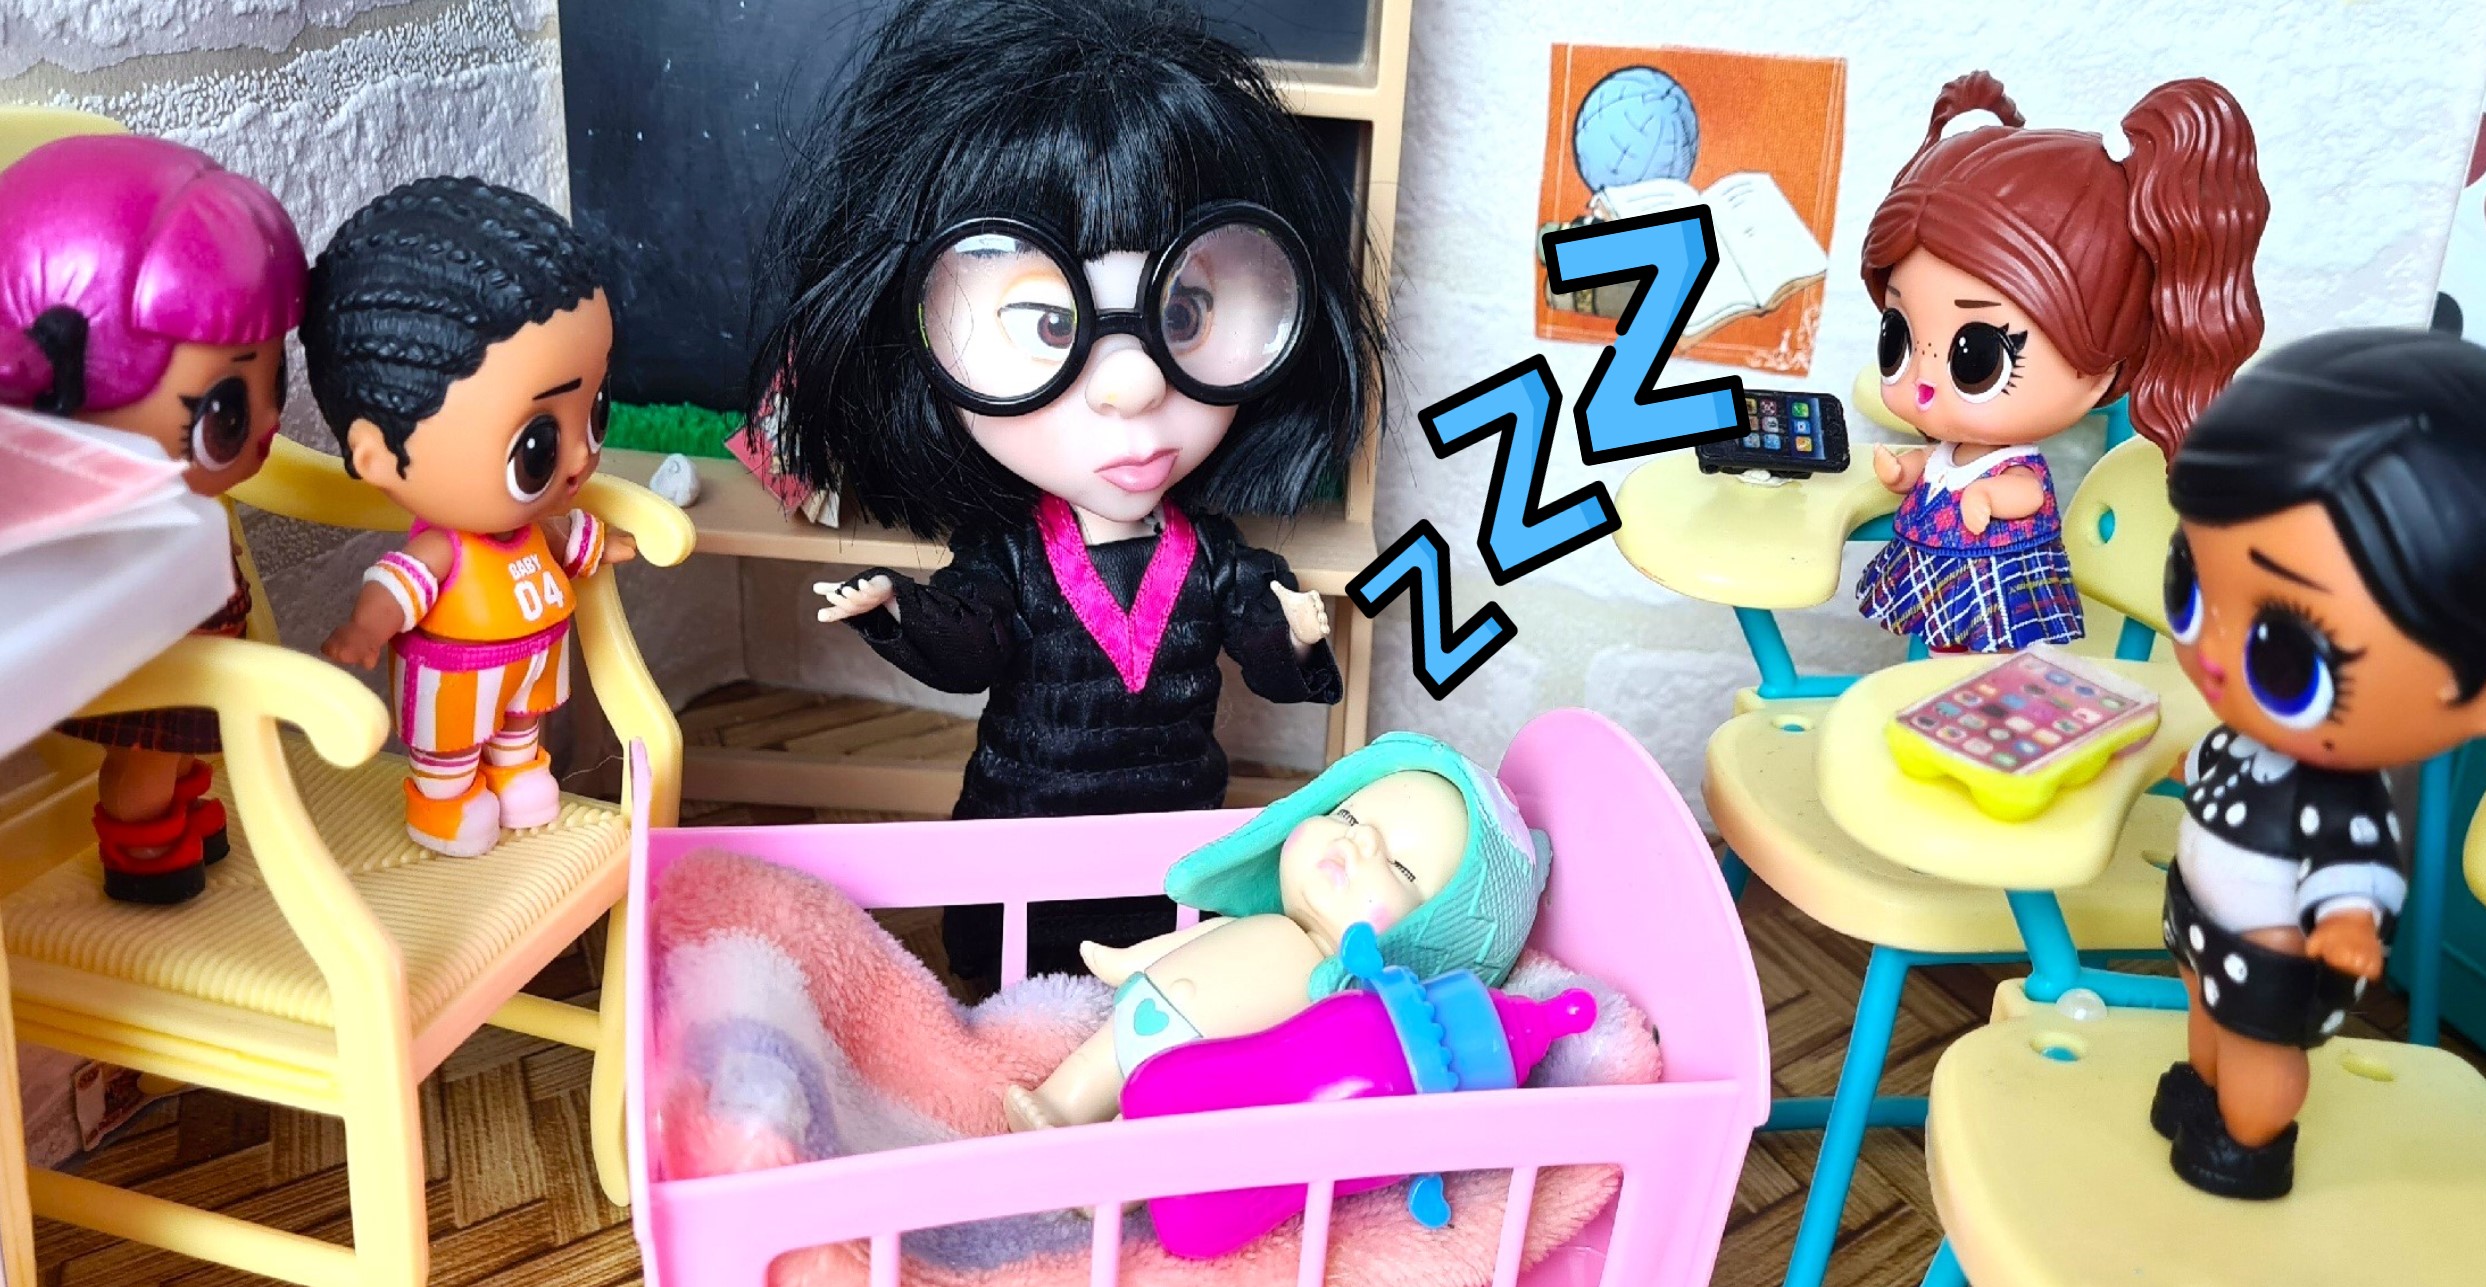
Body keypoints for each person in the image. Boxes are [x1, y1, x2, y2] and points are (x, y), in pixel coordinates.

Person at [751, 0, 1384, 988]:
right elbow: (973, 641)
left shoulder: (1210, 559)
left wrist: (1294, 634)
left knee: (1170, 973)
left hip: (1169, 853)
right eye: (1052, 326)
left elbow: (1262, 635)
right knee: (1010, 989)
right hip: (1024, 845)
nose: (1132, 383)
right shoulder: (1013, 561)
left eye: (1183, 311)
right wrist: (900, 614)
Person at [2151, 328, 2486, 1199]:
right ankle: (2204, 1092)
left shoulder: (2340, 796)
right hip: (2204, 919)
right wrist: (2201, 766)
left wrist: (2343, 922)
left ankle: (2250, 1140)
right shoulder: (2252, 735)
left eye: (2285, 653)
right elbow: (2230, 764)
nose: (2212, 654)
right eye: (2190, 583)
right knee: (2203, 1014)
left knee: (2257, 1046)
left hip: (2273, 951)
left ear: (2485, 698)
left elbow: (2351, 861)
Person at [1856, 70, 2269, 654]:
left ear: (2101, 369)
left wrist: (1989, 499)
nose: (1923, 382)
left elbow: (2025, 492)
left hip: (1994, 589)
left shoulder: (2015, 466)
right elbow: (1939, 464)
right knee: (1939, 657)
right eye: (1897, 337)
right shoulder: (1954, 447)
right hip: (1939, 573)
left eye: (1976, 358)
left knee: (1987, 660)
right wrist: (1906, 472)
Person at [0, 134, 307, 903]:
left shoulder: (187, 508)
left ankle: (178, 807)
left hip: (202, 638)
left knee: (182, 738)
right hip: (152, 653)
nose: (267, 426)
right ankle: (141, 839)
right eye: (225, 413)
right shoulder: (96, 536)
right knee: (149, 745)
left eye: (276, 382)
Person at [302, 177, 636, 857]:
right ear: (381, 454)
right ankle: (444, 800)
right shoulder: (442, 552)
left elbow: (565, 540)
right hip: (454, 677)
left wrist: (604, 544)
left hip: (526, 668)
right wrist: (367, 629)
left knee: (519, 730)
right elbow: (396, 586)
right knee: (450, 747)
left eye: (595, 412)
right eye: (537, 447)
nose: (580, 458)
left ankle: (517, 770)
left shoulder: (538, 527)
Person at [1004, 732, 1550, 1131]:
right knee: (1103, 1055)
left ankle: (1122, 1170)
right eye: (1348, 818)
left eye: (1400, 867)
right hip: (1147, 1009)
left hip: (1208, 1071)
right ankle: (1060, 1103)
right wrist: (1129, 960)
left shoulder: (1331, 1004)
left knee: (1169, 1117)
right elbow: (1196, 943)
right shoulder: (1264, 924)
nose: (1358, 843)